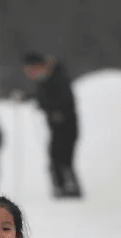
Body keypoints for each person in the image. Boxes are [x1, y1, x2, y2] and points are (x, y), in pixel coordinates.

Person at [21, 52, 82, 199]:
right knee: (55, 158)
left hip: (67, 126)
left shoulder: (57, 77)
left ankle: (69, 189)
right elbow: (43, 97)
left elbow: (65, 100)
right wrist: (26, 97)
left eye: (31, 70)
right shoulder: (45, 79)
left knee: (62, 158)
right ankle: (60, 189)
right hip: (56, 127)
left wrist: (56, 110)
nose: (30, 74)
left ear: (39, 66)